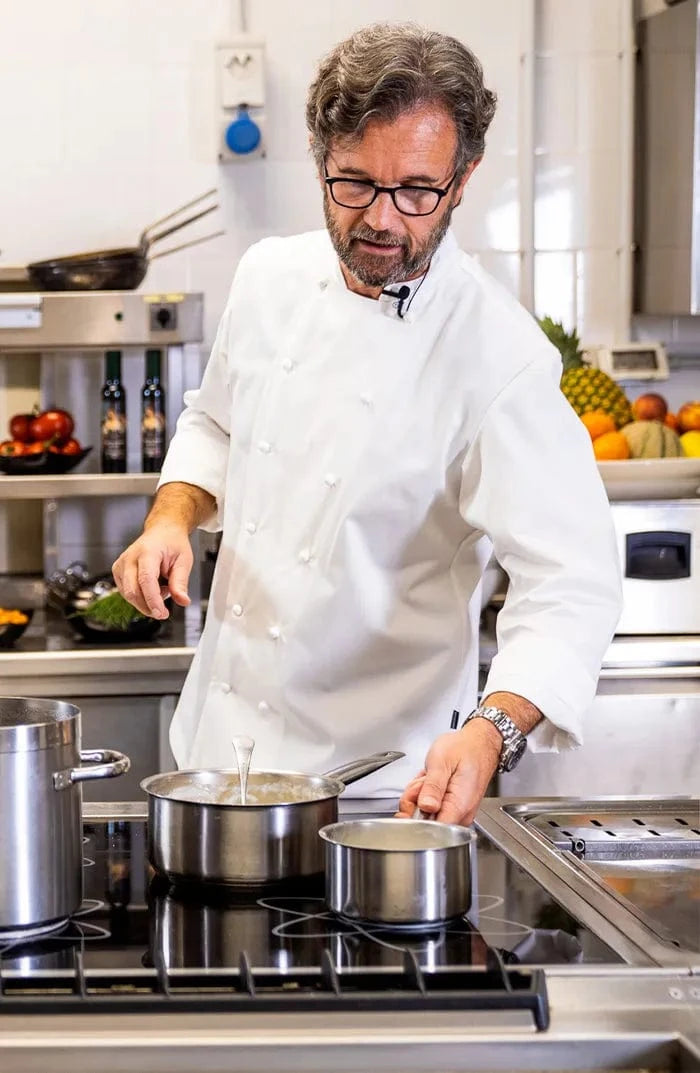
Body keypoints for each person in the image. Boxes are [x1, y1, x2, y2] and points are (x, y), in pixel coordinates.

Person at [112, 22, 622, 824]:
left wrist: (492, 729)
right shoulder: (269, 278)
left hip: (380, 798)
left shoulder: (499, 355)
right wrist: (169, 519)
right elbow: (215, 425)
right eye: (354, 184)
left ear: (463, 178)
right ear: (321, 161)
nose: (383, 219)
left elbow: (572, 581)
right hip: (214, 768)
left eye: (417, 190)